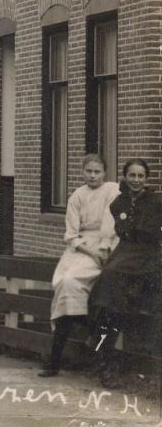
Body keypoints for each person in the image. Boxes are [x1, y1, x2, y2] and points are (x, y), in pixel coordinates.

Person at [38, 154, 120, 377]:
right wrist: (88, 250)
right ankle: (57, 357)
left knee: (73, 283)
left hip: (106, 246)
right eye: (89, 171)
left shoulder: (112, 190)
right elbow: (71, 235)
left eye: (97, 172)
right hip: (82, 249)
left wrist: (101, 251)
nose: (93, 176)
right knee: (64, 282)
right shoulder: (77, 195)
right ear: (82, 172)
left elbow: (110, 226)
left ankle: (87, 342)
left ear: (105, 172)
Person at [87, 158, 161, 388]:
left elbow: (150, 233)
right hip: (126, 252)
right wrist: (132, 227)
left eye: (141, 176)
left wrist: (134, 227)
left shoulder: (157, 201)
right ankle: (104, 359)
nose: (136, 180)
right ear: (125, 177)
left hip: (149, 255)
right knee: (108, 285)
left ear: (146, 179)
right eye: (132, 175)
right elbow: (124, 232)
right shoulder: (117, 204)